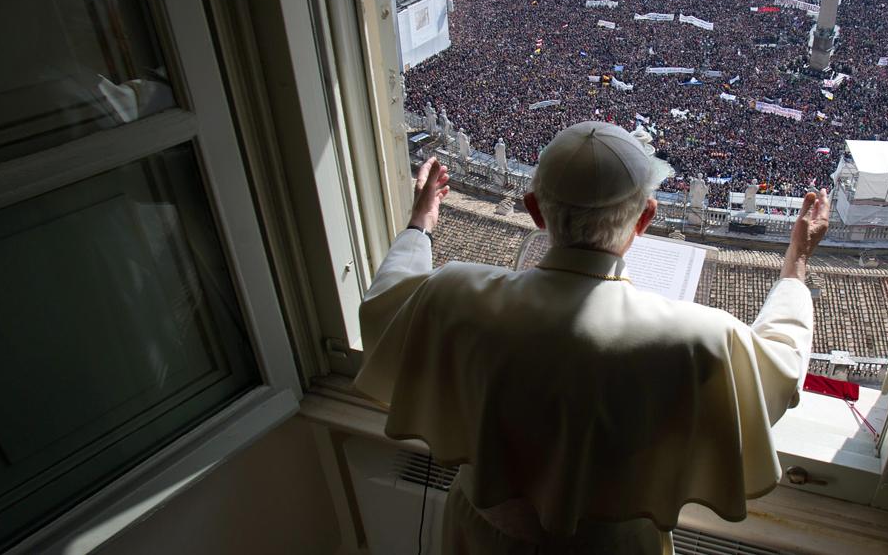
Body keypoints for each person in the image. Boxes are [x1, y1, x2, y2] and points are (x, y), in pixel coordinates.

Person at [354, 121, 831, 554]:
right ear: (645, 219)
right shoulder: (699, 339)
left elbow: (385, 309)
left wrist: (420, 226)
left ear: (535, 211)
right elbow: (781, 368)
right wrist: (795, 265)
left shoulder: (453, 294)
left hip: (480, 537)